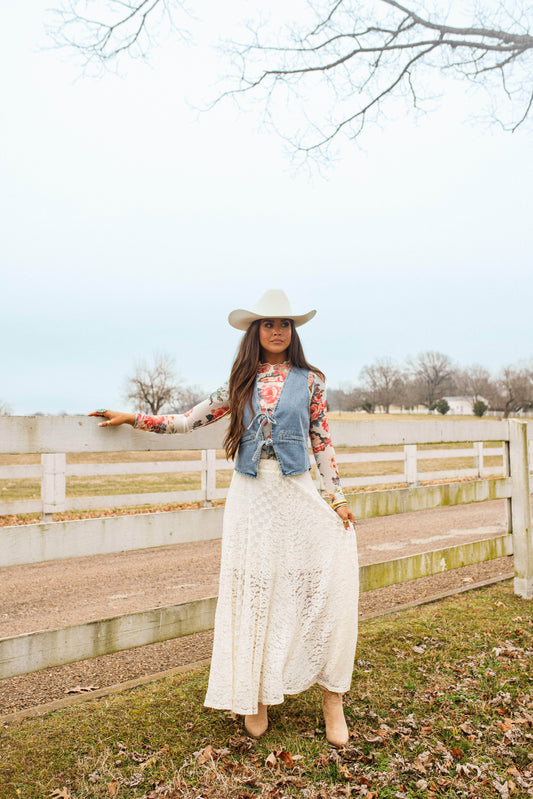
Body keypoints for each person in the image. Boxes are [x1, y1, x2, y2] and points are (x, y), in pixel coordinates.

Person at [89, 289, 359, 746]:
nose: (277, 330)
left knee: (321, 581)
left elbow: (321, 440)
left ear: (293, 332)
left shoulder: (311, 380)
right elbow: (186, 421)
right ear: (256, 332)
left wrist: (336, 498)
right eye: (268, 324)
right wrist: (132, 417)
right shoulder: (238, 382)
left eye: (285, 324)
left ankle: (332, 696)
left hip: (295, 490)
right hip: (251, 497)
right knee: (254, 588)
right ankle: (255, 693)